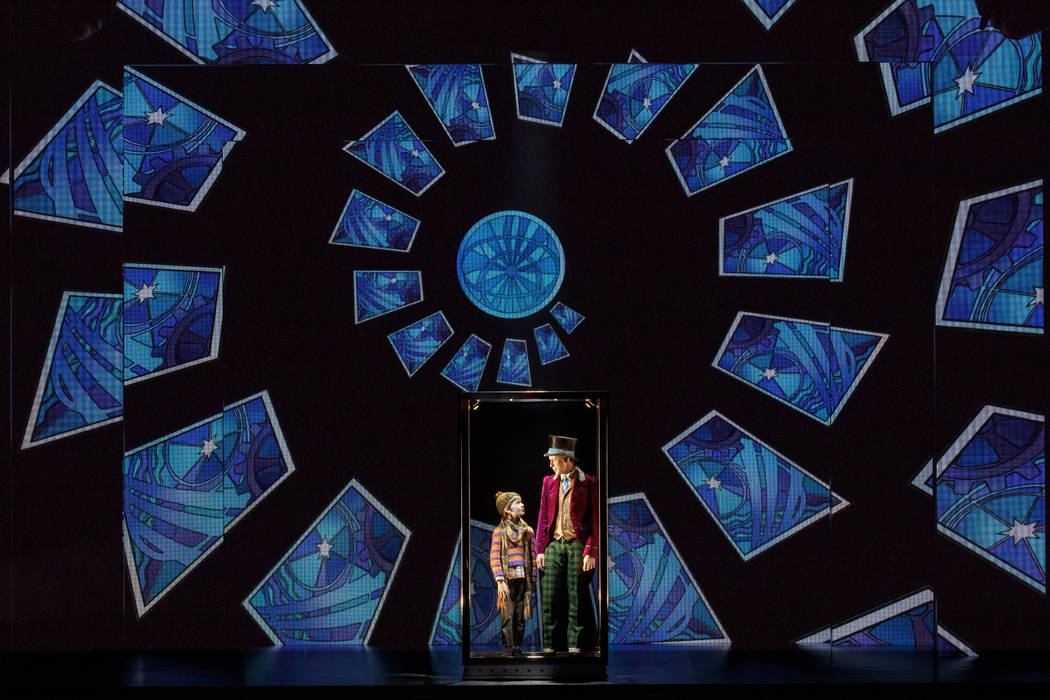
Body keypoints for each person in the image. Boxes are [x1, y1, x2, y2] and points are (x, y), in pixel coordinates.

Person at [534, 435, 598, 654]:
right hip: (554, 543)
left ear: (566, 459)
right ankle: (550, 645)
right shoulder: (548, 482)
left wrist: (591, 550)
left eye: (554, 459)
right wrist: (540, 549)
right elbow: (543, 516)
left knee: (576, 596)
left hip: (576, 544)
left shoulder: (588, 482)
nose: (550, 463)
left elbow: (594, 520)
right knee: (549, 595)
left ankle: (574, 645)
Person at [489, 491, 535, 656]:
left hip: (523, 580)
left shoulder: (528, 531)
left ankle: (517, 645)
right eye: (518, 503)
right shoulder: (499, 532)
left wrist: (533, 577)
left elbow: (533, 555)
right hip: (507, 581)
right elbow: (494, 556)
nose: (522, 505)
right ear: (508, 509)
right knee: (508, 615)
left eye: (521, 502)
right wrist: (500, 580)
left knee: (520, 615)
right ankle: (508, 646)